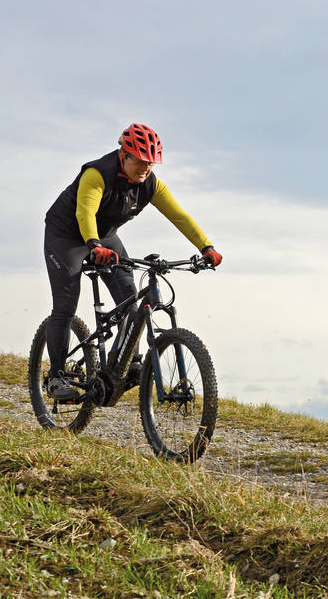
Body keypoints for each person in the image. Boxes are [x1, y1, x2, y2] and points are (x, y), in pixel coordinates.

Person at [41, 123, 223, 400]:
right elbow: (85, 212)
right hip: (66, 236)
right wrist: (93, 245)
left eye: (150, 163)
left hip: (104, 237)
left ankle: (127, 364)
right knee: (65, 305)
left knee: (129, 300)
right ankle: (56, 377)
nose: (145, 168)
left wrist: (206, 246)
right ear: (123, 155)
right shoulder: (97, 174)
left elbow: (179, 216)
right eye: (139, 161)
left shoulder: (150, 184)